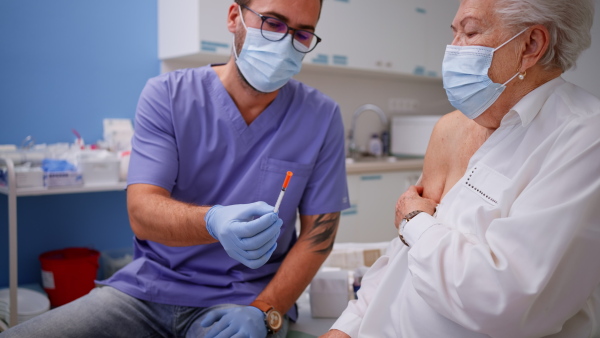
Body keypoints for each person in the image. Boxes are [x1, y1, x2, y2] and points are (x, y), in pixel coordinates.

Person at [3, 0, 349, 337]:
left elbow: (317, 237)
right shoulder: (168, 94)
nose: (286, 42)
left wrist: (265, 310)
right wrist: (212, 221)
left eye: (302, 34)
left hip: (243, 301)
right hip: (148, 290)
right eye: (273, 23)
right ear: (234, 17)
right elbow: (141, 211)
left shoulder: (321, 117)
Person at [323, 0, 600, 337]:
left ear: (531, 45)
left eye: (470, 32)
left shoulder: (584, 136)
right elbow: (403, 255)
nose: (453, 51)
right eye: (453, 33)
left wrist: (413, 220)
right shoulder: (452, 129)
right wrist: (348, 327)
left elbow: (505, 298)